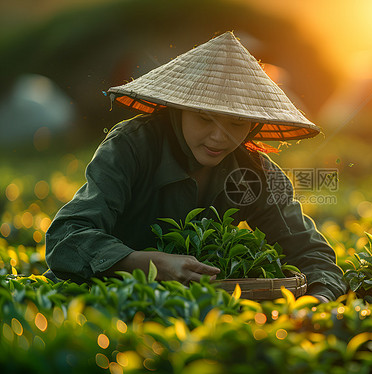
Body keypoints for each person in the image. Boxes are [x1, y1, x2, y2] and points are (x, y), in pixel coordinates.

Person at [45, 31, 347, 302]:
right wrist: (147, 263)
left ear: (253, 125)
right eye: (204, 118)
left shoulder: (253, 173)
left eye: (237, 122)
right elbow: (66, 237)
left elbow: (312, 255)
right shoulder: (131, 146)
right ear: (179, 109)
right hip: (97, 301)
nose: (219, 137)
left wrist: (317, 303)